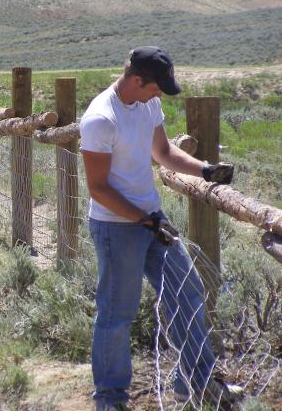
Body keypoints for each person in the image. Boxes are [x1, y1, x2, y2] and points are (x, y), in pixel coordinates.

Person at [79, 46, 240, 411]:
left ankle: (197, 384)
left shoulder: (147, 104)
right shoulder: (101, 119)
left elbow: (163, 151)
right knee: (117, 313)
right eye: (156, 87)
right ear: (137, 80)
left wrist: (203, 170)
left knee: (188, 293)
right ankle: (110, 398)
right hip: (117, 228)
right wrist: (144, 220)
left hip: (152, 220)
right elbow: (98, 189)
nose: (159, 95)